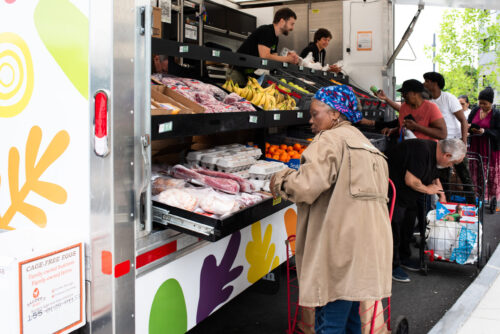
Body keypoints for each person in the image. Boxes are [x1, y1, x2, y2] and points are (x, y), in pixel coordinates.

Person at [270, 85, 392, 333]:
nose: (310, 119)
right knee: (350, 320)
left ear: (335, 114)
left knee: (330, 323)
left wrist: (280, 179)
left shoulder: (329, 139)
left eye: (315, 113)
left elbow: (306, 187)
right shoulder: (369, 146)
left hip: (339, 250)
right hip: (368, 248)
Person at [387, 138, 466, 282]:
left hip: (408, 195)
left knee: (408, 225)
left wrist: (442, 195)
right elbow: (411, 180)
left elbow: (434, 177)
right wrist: (428, 190)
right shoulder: (421, 151)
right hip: (395, 191)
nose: (450, 166)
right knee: (395, 228)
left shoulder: (435, 151)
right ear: (446, 155)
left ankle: (404, 257)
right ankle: (392, 265)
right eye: (452, 163)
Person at [423, 72, 474, 203]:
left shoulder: (448, 98)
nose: (424, 83)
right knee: (444, 181)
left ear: (434, 83)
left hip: (455, 143)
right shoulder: (427, 101)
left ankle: (473, 208)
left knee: (465, 177)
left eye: (426, 81)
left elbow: (463, 120)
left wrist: (463, 144)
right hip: (440, 146)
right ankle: (448, 208)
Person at [229, 8, 300, 85]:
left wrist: (287, 57)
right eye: (291, 24)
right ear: (282, 21)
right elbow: (265, 56)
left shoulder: (275, 37)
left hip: (249, 74)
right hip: (238, 72)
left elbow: (273, 59)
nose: (292, 28)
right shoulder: (266, 31)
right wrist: (287, 59)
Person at [371, 79, 447, 141]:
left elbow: (442, 134)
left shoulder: (431, 107)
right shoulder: (404, 107)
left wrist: (417, 127)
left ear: (415, 93)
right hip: (407, 146)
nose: (402, 95)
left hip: (425, 149)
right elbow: (403, 127)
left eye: (405, 93)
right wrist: (393, 130)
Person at [468, 87, 500, 208]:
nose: (481, 105)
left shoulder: (496, 114)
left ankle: (491, 197)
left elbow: (498, 132)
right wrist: (470, 129)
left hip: (489, 147)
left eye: (485, 103)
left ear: (491, 102)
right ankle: (477, 196)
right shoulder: (475, 110)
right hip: (476, 146)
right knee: (476, 170)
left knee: (488, 173)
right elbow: (469, 123)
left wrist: (484, 131)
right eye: (480, 102)